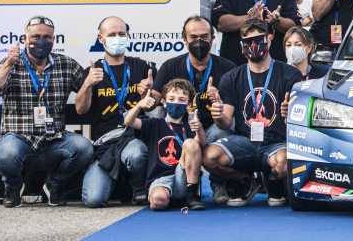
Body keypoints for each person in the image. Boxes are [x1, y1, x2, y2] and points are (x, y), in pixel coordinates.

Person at [0, 16, 94, 208]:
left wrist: (88, 84)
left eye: (47, 37)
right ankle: (13, 187)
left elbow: (83, 104)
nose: (41, 41)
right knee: (6, 153)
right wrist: (8, 64)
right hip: (18, 137)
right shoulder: (11, 63)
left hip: (54, 138)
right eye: (36, 36)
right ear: (25, 38)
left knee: (84, 147)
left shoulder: (67, 64)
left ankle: (56, 184)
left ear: (54, 39)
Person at [204, 19, 302, 207]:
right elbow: (226, 122)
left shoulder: (290, 74)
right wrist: (218, 115)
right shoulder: (231, 77)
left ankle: (272, 180)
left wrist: (288, 114)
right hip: (245, 142)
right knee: (209, 157)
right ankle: (247, 180)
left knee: (283, 163)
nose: (254, 45)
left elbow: (299, 122)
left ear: (269, 39)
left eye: (258, 40)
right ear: (242, 46)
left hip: (277, 142)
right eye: (248, 41)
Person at [150, 14, 235, 202]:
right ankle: (176, 181)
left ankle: (219, 182)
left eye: (204, 37)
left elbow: (230, 113)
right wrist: (147, 94)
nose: (199, 42)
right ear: (184, 39)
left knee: (224, 129)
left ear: (212, 38)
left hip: (211, 130)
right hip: (180, 130)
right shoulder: (170, 66)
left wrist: (219, 105)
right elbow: (155, 99)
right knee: (156, 116)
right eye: (193, 37)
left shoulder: (227, 67)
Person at [77, 16, 156, 207]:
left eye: (121, 34)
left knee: (136, 154)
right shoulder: (93, 71)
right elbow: (80, 109)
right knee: (94, 199)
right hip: (105, 144)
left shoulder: (141, 67)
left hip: (133, 137)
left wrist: (149, 93)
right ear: (101, 38)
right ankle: (120, 185)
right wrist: (87, 84)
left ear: (128, 36)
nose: (117, 38)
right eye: (112, 34)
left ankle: (138, 189)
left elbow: (154, 104)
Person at [125, 78, 206, 211]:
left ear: (189, 103)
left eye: (181, 99)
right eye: (171, 98)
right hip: (160, 178)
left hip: (184, 176)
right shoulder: (154, 124)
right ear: (163, 101)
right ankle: (168, 197)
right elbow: (129, 121)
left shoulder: (190, 126)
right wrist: (139, 105)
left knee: (191, 143)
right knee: (158, 201)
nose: (176, 102)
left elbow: (201, 144)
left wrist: (199, 128)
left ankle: (192, 195)